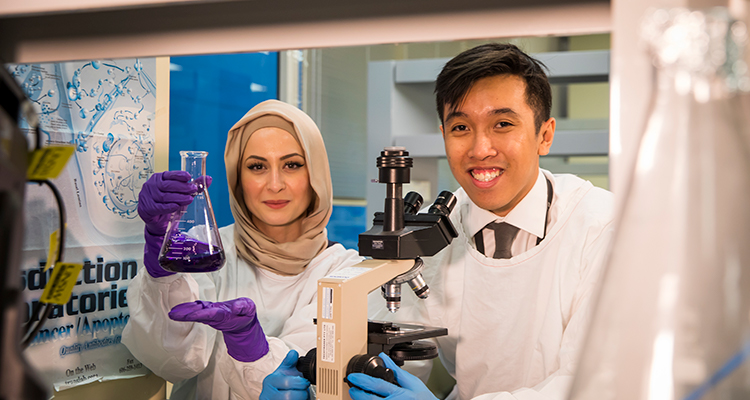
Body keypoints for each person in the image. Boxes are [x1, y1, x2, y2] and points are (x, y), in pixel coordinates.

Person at [343, 43, 616, 400]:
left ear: (544, 136)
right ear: (443, 135)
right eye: (460, 127)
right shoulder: (433, 233)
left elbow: (590, 383)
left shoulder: (601, 227)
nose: (479, 148)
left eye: (502, 124)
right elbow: (401, 353)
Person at [122, 99, 363, 400]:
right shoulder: (204, 251)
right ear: (238, 179)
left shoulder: (346, 273)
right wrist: (162, 273)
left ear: (315, 174)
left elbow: (312, 386)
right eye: (257, 166)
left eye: (292, 165)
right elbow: (172, 362)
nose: (274, 184)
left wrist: (249, 343)